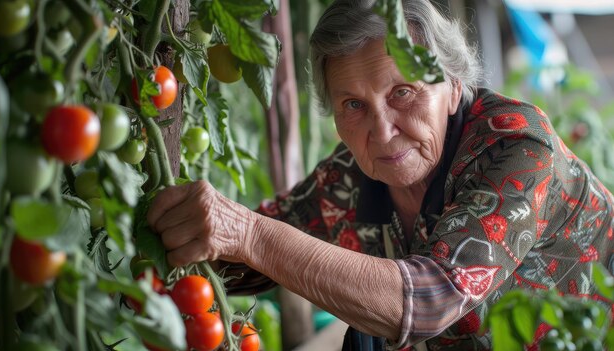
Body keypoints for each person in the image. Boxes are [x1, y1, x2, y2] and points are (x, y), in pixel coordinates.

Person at [146, 0, 614, 349]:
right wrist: (149, 259)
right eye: (353, 105)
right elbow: (250, 250)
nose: (383, 132)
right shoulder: (350, 178)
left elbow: (431, 299)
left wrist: (248, 233)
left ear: (454, 87)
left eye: (403, 92)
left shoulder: (516, 147)